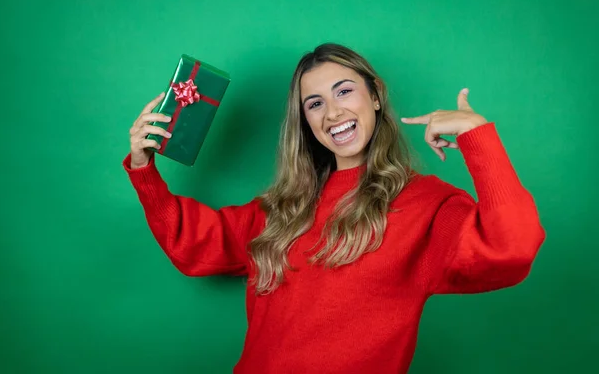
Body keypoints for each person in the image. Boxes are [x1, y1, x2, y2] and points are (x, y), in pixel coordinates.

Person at [123, 43, 545, 374]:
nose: (333, 111)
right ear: (305, 121)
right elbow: (193, 244)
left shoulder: (427, 205)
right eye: (315, 103)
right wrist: (144, 168)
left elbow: (512, 248)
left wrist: (477, 135)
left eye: (344, 91)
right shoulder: (281, 210)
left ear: (376, 96)